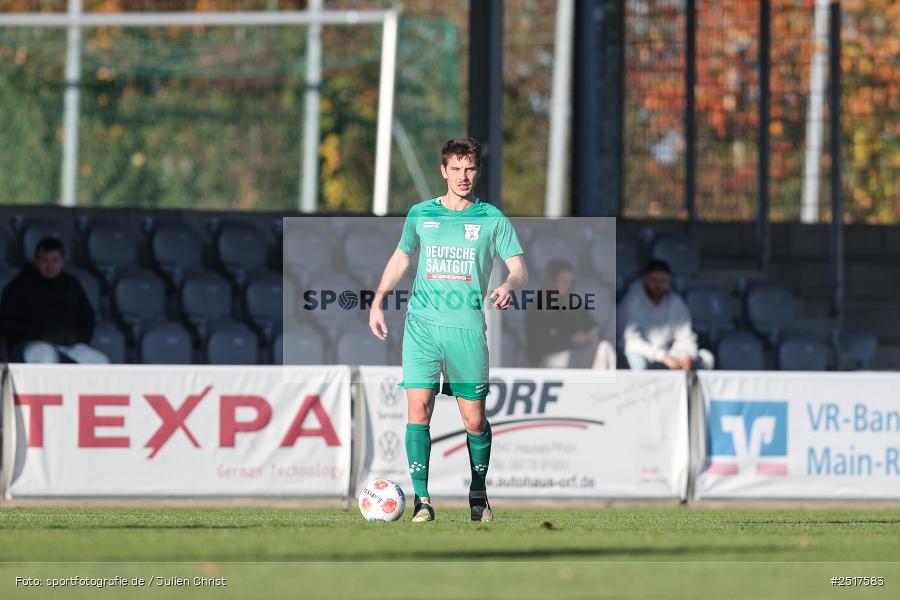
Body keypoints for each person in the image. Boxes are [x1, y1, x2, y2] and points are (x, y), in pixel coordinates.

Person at [368, 137, 527, 523]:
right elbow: (402, 256)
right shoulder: (421, 214)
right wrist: (377, 300)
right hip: (422, 328)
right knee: (418, 410)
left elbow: (519, 267)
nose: (463, 176)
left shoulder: (491, 218)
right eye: (455, 169)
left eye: (470, 168)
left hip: (467, 331)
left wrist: (508, 285)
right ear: (443, 171)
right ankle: (422, 501)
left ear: (477, 170)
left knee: (473, 419)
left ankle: (478, 492)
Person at [0, 236, 108, 364]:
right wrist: (40, 336)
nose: (50, 266)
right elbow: (7, 322)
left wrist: (76, 338)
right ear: (36, 261)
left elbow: (87, 318)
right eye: (44, 260)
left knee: (99, 361)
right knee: (45, 356)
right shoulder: (20, 285)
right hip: (31, 345)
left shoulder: (71, 285)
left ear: (63, 261)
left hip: (69, 345)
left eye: (55, 260)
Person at [619, 259, 713, 370]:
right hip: (641, 353)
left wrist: (688, 356)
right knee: (637, 362)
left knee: (706, 358)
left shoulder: (676, 303)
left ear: (669, 282)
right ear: (645, 279)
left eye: (663, 281)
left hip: (667, 353)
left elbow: (685, 337)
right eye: (653, 280)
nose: (658, 285)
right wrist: (662, 356)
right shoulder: (631, 301)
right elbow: (631, 342)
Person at [526, 259, 616, 369]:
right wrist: (571, 340)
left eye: (570, 281)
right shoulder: (537, 306)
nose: (568, 285)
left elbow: (591, 325)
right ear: (551, 281)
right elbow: (539, 344)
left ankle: (604, 385)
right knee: (581, 357)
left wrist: (591, 334)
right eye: (563, 280)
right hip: (548, 359)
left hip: (575, 353)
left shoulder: (572, 302)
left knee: (604, 347)